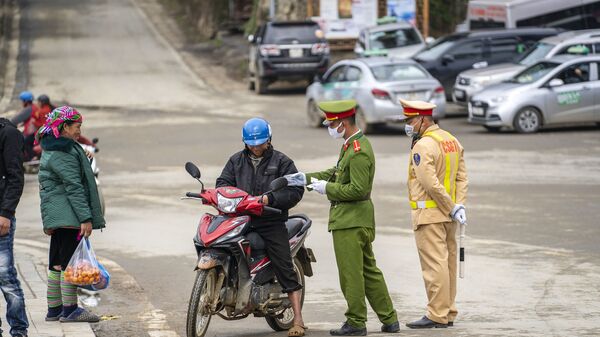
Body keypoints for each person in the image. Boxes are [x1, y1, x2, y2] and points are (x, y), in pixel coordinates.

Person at [285, 100, 399, 336]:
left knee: (351, 274)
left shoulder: (358, 151)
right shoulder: (352, 145)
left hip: (351, 220)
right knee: (369, 271)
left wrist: (327, 189)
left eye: (331, 123)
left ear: (343, 123)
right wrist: (304, 178)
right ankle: (389, 319)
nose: (329, 127)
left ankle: (356, 322)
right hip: (357, 219)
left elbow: (358, 189)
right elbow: (336, 173)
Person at [215, 118, 306, 337]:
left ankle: (299, 320)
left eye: (260, 143)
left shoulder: (282, 162)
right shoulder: (235, 161)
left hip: (270, 221)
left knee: (284, 264)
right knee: (220, 241)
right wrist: (220, 196)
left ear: (269, 140)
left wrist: (271, 199)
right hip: (241, 218)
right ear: (245, 142)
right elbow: (222, 183)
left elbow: (295, 191)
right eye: (251, 143)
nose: (256, 147)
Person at [399, 99, 468, 329]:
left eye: (409, 120)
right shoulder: (451, 140)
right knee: (448, 264)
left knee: (434, 266)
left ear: (422, 119)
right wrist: (459, 206)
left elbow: (430, 183)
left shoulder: (423, 145)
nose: (408, 125)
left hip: (429, 214)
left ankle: (437, 314)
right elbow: (461, 177)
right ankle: (448, 311)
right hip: (450, 215)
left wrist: (451, 206)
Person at [37, 106, 105, 323]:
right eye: (77, 127)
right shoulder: (63, 153)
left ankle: (54, 309)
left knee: (56, 263)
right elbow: (74, 186)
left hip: (59, 215)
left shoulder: (58, 148)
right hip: (68, 215)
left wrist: (79, 152)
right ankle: (70, 310)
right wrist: (85, 218)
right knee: (69, 264)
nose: (79, 131)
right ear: (64, 127)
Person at [0, 117, 29, 337]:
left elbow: (16, 177)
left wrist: (6, 213)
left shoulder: (8, 134)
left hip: (1, 217)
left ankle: (19, 330)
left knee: (5, 276)